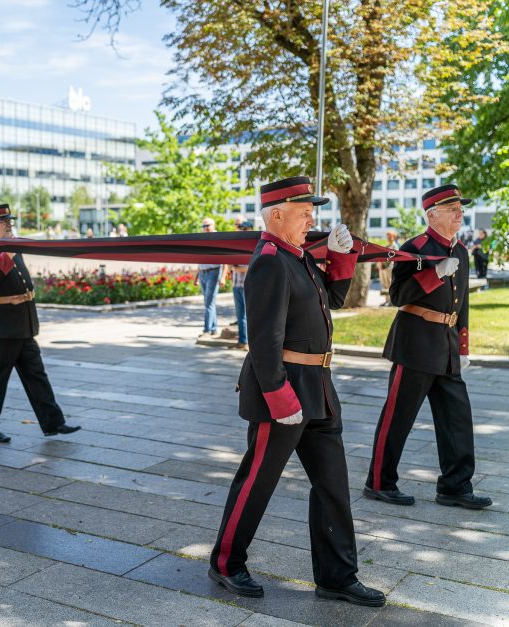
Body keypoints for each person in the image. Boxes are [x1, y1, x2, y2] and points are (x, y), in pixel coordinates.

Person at [208, 176, 385, 607]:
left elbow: (333, 300)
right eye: (305, 210)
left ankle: (337, 576)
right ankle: (226, 562)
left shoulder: (298, 257)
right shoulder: (270, 260)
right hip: (284, 389)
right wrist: (279, 396)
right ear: (278, 214)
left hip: (319, 389)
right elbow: (263, 340)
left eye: (312, 210)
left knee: (333, 485)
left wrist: (342, 257)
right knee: (258, 480)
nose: (311, 218)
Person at [364, 184, 491, 510]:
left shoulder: (461, 250)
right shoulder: (415, 248)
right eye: (452, 209)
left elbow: (462, 304)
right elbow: (398, 296)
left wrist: (463, 345)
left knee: (457, 418)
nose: (459, 213)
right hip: (416, 343)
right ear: (432, 214)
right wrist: (434, 273)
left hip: (446, 345)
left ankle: (455, 486)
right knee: (398, 417)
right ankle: (379, 482)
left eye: (460, 208)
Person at [0, 203, 81, 444]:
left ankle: (53, 422)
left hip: (23, 324)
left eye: (10, 221)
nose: (10, 225)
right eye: (4, 222)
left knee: (36, 375)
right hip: (0, 327)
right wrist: (7, 254)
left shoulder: (12, 248)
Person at [196, 217, 223, 339]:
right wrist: (197, 276)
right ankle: (214, 329)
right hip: (202, 272)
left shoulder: (218, 238)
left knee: (208, 303)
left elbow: (225, 259)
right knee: (209, 303)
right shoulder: (201, 238)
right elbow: (199, 258)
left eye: (207, 225)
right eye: (203, 226)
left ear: (214, 225)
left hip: (214, 271)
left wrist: (222, 277)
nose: (205, 228)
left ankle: (207, 330)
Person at [229, 219, 251, 349]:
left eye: (241, 227)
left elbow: (251, 267)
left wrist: (235, 268)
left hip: (246, 285)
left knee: (248, 315)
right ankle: (242, 342)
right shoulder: (237, 245)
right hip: (236, 284)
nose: (238, 229)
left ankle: (248, 343)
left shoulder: (251, 246)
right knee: (240, 315)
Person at [378, 230, 400, 306]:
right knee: (385, 284)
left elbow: (393, 258)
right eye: (387, 236)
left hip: (390, 268)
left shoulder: (395, 246)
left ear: (393, 237)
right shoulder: (387, 246)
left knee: (390, 284)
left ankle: (391, 301)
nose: (388, 238)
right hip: (384, 268)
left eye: (390, 236)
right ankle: (386, 300)